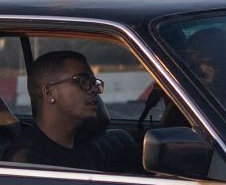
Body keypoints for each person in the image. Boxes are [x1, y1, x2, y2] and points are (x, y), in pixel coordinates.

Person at [7, 50, 135, 171]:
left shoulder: (86, 146)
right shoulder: (27, 161)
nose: (94, 89)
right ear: (50, 93)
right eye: (82, 81)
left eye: (93, 82)